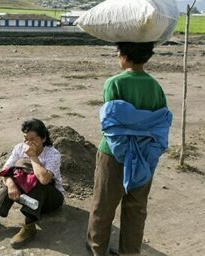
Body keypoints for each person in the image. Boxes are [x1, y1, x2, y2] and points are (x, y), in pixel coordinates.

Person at [86, 42, 172, 255]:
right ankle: (130, 252)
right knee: (136, 207)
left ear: (124, 55)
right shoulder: (155, 87)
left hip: (113, 154)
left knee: (103, 206)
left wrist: (123, 147)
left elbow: (110, 123)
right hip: (145, 154)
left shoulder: (114, 83)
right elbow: (161, 123)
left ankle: (97, 249)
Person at [0, 118, 65, 248]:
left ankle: (29, 226)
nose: (27, 142)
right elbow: (5, 170)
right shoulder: (19, 148)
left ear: (43, 138)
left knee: (38, 181)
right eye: (25, 138)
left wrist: (32, 156)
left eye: (32, 139)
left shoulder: (52, 154)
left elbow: (44, 179)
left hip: (50, 199)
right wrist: (10, 185)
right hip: (29, 196)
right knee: (12, 178)